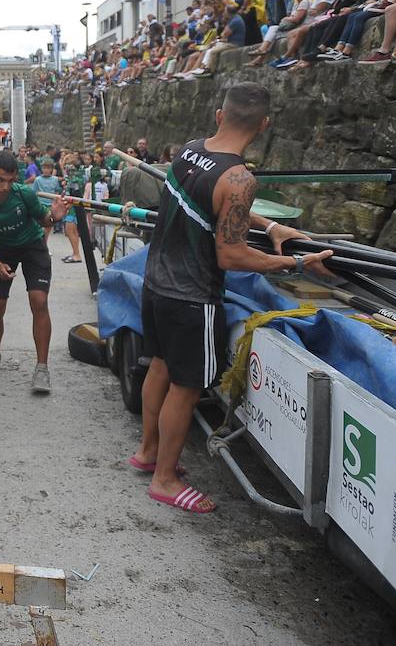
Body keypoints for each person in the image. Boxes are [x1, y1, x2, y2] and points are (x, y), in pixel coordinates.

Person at [129, 84, 333, 515]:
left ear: (220, 116)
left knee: (160, 369)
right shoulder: (240, 178)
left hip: (156, 284)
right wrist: (294, 265)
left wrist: (270, 227)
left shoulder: (189, 150)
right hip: (193, 297)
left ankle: (148, 453)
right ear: (264, 125)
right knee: (186, 387)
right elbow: (232, 254)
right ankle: (164, 480)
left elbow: (215, 205)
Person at [0, 151, 70, 393]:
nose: (5, 187)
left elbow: (44, 220)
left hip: (32, 247)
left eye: (11, 181)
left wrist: (54, 216)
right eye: (0, 180)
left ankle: (42, 368)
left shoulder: (24, 194)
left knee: (39, 301)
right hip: (1, 251)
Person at [32, 159, 62, 239]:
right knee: (38, 226)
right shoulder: (37, 180)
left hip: (51, 206)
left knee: (48, 227)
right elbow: (33, 193)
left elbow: (57, 191)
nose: (46, 170)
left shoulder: (55, 180)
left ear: (52, 169)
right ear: (41, 169)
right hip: (40, 205)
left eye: (48, 168)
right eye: (44, 168)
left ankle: (44, 244)